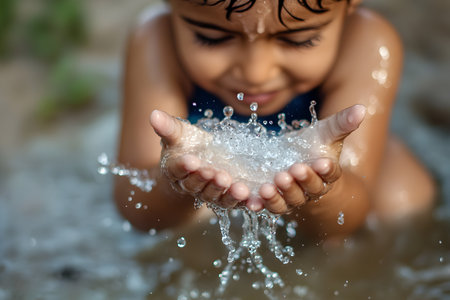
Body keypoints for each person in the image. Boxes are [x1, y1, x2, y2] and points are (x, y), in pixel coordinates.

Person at [114, 0, 435, 239]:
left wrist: (321, 190)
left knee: (401, 196)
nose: (256, 74)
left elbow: (345, 218)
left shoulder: (367, 41)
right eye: (212, 38)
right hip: (211, 191)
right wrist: (178, 184)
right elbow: (137, 211)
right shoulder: (155, 38)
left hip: (343, 182)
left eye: (298, 40)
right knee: (189, 228)